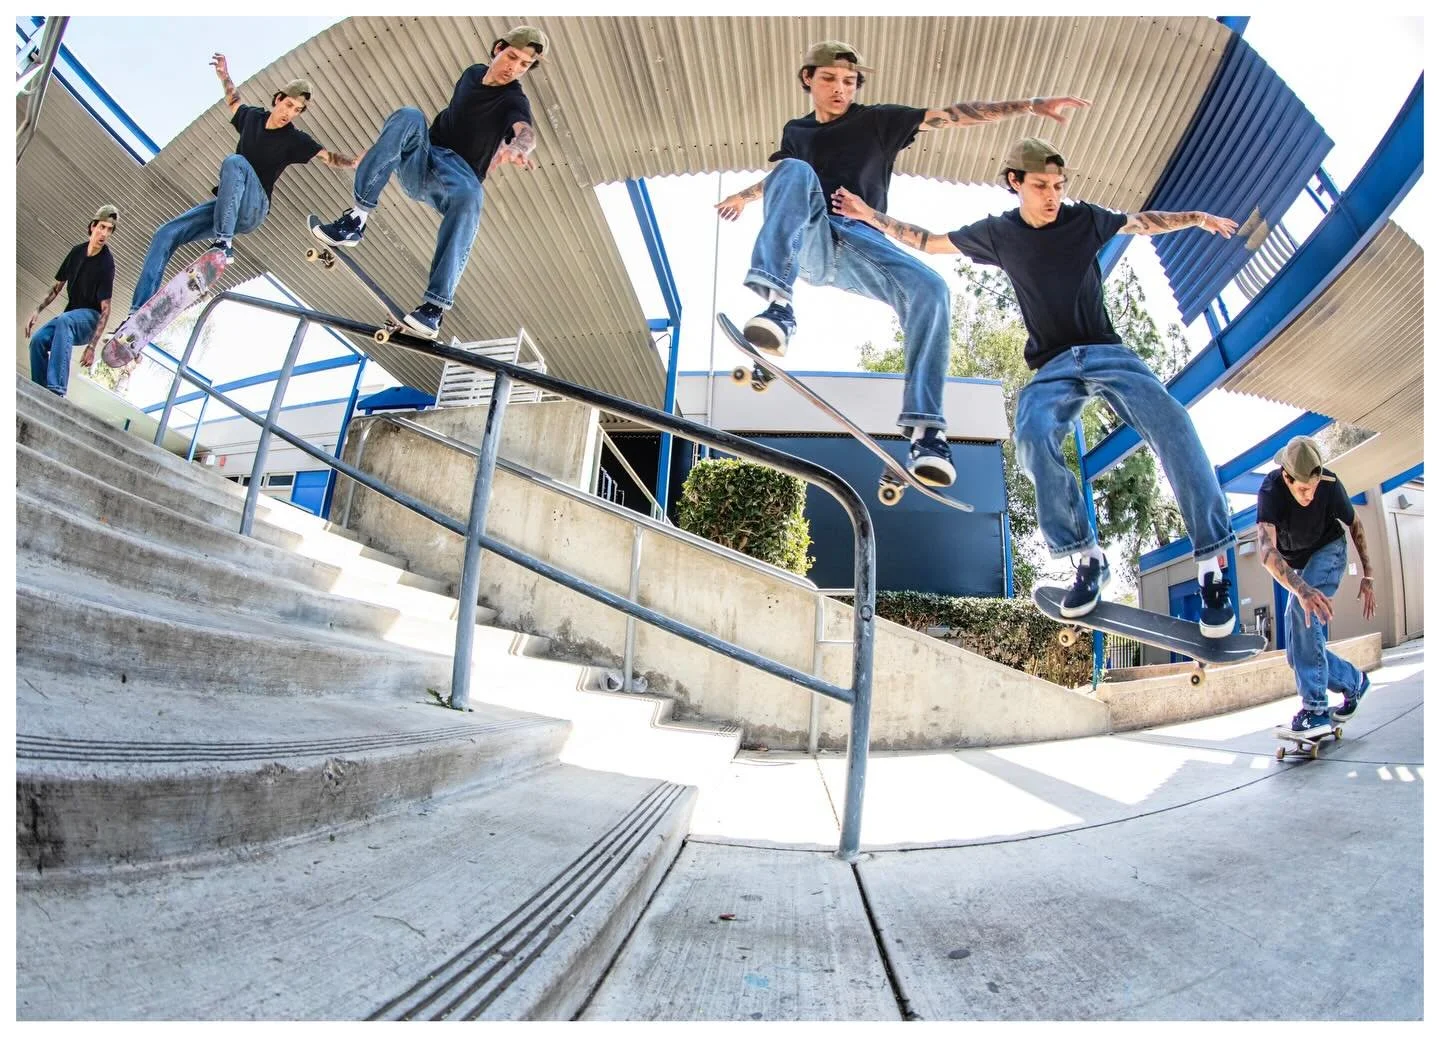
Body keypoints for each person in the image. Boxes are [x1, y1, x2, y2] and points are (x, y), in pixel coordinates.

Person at [833, 136, 1241, 634]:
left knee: (1173, 423)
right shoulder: (999, 234)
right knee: (1031, 435)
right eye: (1042, 186)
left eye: (1059, 186)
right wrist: (868, 214)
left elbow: (1142, 221)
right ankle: (1087, 558)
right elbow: (929, 241)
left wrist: (1196, 218)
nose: (1053, 196)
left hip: (1109, 354)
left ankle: (1210, 565)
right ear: (1016, 184)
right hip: (1052, 369)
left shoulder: (1086, 220)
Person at [714, 41, 1087, 488]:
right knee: (791, 170)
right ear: (807, 78)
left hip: (862, 243)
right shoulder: (797, 132)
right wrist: (744, 195)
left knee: (932, 289)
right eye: (830, 79)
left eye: (849, 82)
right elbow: (782, 181)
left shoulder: (877, 121)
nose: (840, 90)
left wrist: (1028, 105)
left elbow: (953, 114)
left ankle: (927, 432)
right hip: (808, 241)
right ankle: (778, 306)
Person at [312, 26, 547, 340]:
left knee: (472, 197)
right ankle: (356, 219)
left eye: (524, 66)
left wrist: (518, 148)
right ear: (498, 49)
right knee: (409, 115)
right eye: (512, 57)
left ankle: (433, 308)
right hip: (424, 160)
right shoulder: (471, 74)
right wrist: (369, 155)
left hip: (457, 178)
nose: (513, 69)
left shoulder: (513, 98)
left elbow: (524, 130)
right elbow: (407, 132)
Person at [127, 54, 360, 320]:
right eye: (288, 105)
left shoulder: (295, 139)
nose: (289, 113)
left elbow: (328, 157)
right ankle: (138, 312)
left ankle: (223, 245)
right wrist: (225, 75)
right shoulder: (251, 117)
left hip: (254, 209)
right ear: (278, 99)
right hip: (227, 207)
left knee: (235, 162)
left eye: (297, 110)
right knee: (166, 233)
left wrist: (353, 162)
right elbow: (233, 100)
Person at [1256, 436, 1376, 734]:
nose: (1310, 494)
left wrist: (1368, 574)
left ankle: (1316, 709)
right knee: (1296, 653)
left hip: (1330, 550)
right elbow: (1266, 552)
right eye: (1303, 489)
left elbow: (1355, 525)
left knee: (1302, 611)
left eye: (1314, 486)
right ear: (1287, 477)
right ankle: (1354, 681)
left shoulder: (1330, 484)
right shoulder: (1270, 491)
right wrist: (1302, 587)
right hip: (1298, 564)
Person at [26, 204, 117, 396]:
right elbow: (56, 287)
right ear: (93, 226)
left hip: (90, 321)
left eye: (109, 230)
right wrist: (37, 311)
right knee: (38, 341)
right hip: (69, 318)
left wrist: (92, 346)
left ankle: (57, 390)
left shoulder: (106, 263)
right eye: (102, 227)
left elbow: (106, 309)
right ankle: (40, 391)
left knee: (65, 320)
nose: (105, 234)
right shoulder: (76, 252)